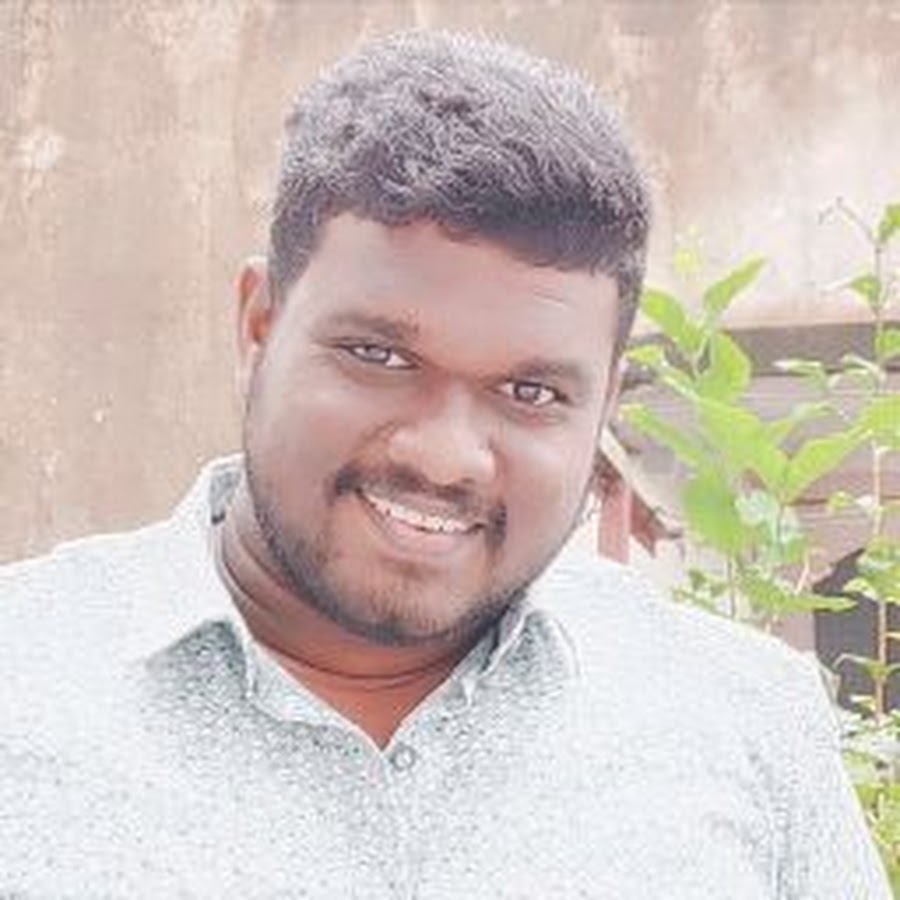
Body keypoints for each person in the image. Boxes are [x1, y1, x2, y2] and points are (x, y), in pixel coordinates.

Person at [0, 29, 889, 899]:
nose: (443, 455)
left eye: (531, 392)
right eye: (379, 356)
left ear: (604, 402)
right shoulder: (25, 682)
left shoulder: (743, 719)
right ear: (259, 326)